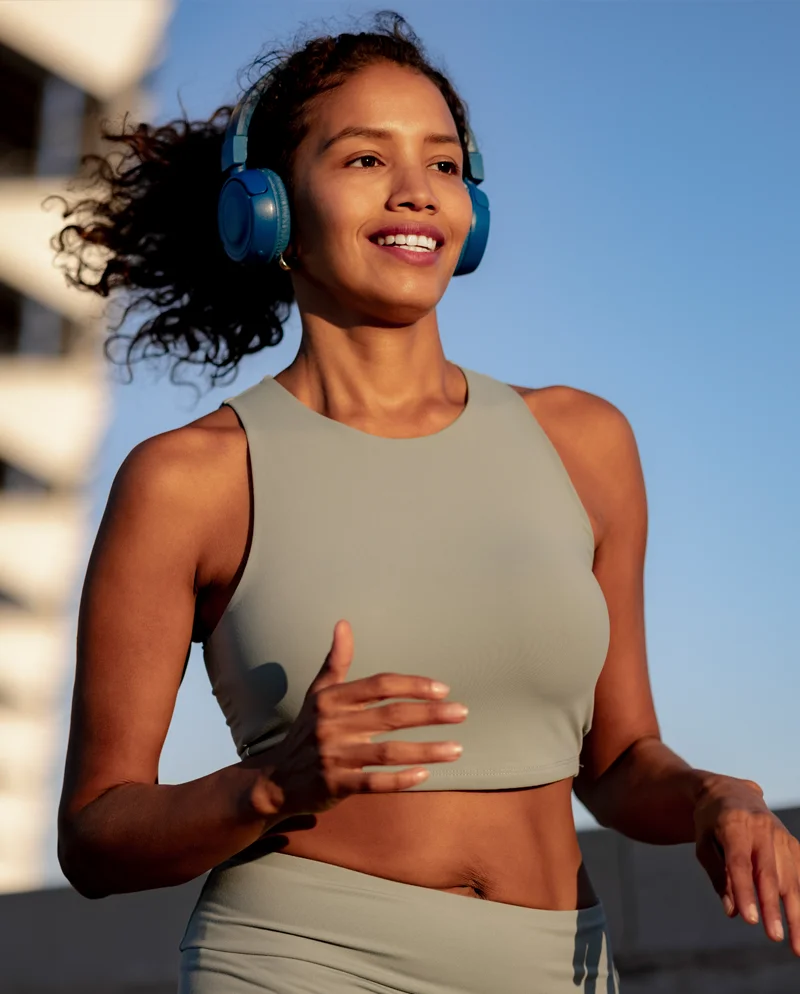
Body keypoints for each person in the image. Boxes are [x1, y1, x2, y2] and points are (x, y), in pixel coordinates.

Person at [53, 12, 800, 994]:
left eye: (443, 163)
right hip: (297, 960)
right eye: (364, 157)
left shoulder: (583, 442)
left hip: (560, 962)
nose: (414, 189)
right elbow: (98, 834)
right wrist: (274, 781)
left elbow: (616, 760)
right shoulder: (189, 478)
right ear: (266, 206)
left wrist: (718, 796)